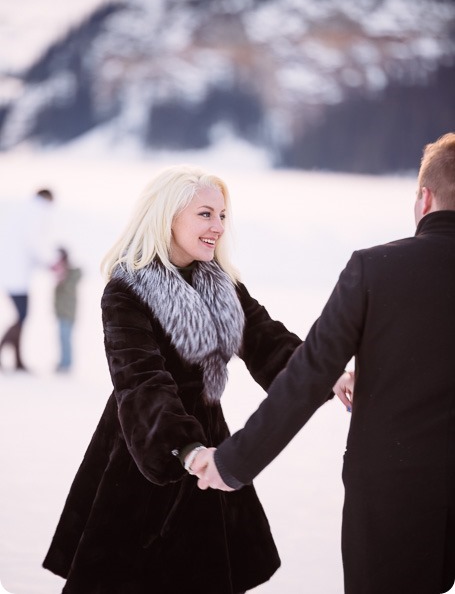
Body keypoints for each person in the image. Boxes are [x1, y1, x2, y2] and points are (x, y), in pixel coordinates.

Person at [42, 164, 351, 594]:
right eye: (205, 214)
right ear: (167, 216)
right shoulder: (127, 289)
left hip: (210, 448)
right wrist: (184, 448)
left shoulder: (221, 284)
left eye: (222, 216)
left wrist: (327, 373)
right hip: (146, 443)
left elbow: (267, 339)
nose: (218, 227)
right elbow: (140, 378)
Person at [194, 132, 455, 594]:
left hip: (394, 491)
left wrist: (234, 463)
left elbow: (309, 373)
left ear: (425, 197)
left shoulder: (377, 269)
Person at [0, 188, 54, 371]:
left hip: (13, 274)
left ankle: (18, 360)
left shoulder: (24, 210)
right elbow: (34, 243)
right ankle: (8, 354)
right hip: (16, 276)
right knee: (22, 316)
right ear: (47, 198)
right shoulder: (36, 212)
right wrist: (51, 262)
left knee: (22, 316)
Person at [50, 247, 82, 372]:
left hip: (68, 313)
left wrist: (63, 276)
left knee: (65, 338)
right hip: (62, 312)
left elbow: (68, 289)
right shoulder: (63, 274)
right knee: (62, 338)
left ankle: (66, 364)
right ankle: (64, 362)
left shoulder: (70, 275)